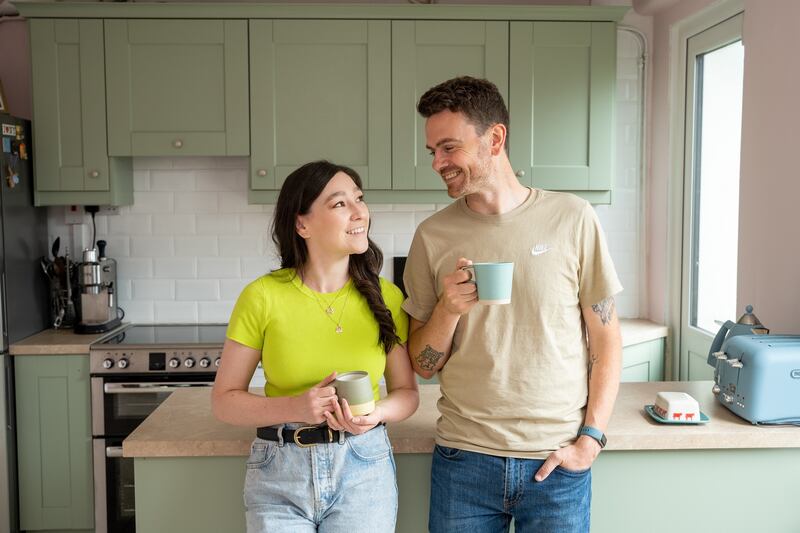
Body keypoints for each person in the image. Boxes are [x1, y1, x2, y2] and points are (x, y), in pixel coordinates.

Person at [402, 76, 623, 532]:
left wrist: (591, 440)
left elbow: (606, 340)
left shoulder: (573, 218)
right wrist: (448, 309)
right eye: (433, 152)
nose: (438, 163)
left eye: (448, 148)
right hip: (463, 459)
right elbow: (422, 365)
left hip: (556, 462)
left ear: (495, 138)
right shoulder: (432, 236)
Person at [212, 160, 419, 533]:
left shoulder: (386, 296)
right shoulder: (262, 297)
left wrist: (374, 413)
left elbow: (407, 394)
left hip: (363, 467)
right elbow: (224, 400)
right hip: (279, 471)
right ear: (301, 223)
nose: (360, 212)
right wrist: (295, 406)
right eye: (340, 204)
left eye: (359, 199)